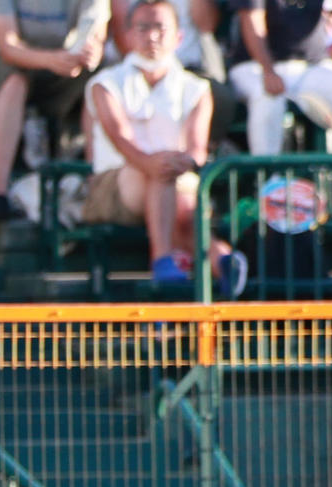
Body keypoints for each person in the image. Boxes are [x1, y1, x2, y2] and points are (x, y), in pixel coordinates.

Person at [84, 0, 246, 293]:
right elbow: (122, 141)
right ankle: (215, 260)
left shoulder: (197, 89)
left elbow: (197, 149)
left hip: (176, 185)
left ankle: (171, 272)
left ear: (179, 36)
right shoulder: (104, 84)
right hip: (117, 187)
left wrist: (177, 165)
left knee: (179, 201)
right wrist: (161, 165)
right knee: (162, 176)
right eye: (143, 27)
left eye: (160, 27)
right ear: (128, 34)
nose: (152, 36)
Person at [0, 0, 109, 221]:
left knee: (102, 81)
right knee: (13, 81)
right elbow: (8, 47)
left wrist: (90, 53)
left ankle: (96, 186)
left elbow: (96, 31)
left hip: (59, 67)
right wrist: (51, 60)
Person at [228, 0, 332, 157]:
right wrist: (268, 70)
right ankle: (268, 176)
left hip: (310, 67)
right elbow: (252, 19)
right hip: (254, 66)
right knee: (267, 96)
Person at [109, 0, 237, 147]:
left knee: (217, 97)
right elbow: (124, 37)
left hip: (190, 69)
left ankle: (209, 153)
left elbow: (207, 25)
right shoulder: (107, 84)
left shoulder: (196, 89)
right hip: (134, 71)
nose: (152, 35)